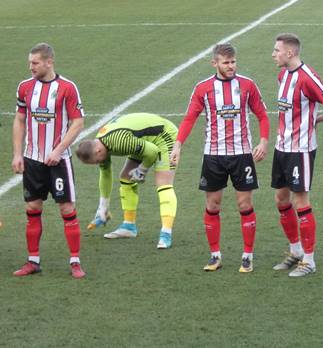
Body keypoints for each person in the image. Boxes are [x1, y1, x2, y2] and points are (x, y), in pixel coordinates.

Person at [170, 43, 270, 273]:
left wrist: (263, 141)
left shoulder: (247, 85)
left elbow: (262, 115)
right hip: (213, 156)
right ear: (214, 63)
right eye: (226, 62)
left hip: (242, 154)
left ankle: (247, 255)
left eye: (233, 61)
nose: (231, 66)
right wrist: (178, 145)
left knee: (244, 204)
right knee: (212, 205)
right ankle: (215, 255)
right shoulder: (203, 88)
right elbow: (189, 119)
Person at [269, 33, 323, 277]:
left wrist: (316, 120)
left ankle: (309, 261)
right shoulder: (283, 75)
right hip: (282, 147)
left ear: (290, 53)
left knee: (301, 202)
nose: (273, 54)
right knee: (281, 199)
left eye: (277, 50)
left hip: (300, 150)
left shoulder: (307, 77)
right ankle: (296, 250)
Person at [11, 42, 86, 278]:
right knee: (32, 208)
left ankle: (75, 261)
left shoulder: (67, 87)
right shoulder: (24, 87)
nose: (30, 67)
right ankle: (33, 260)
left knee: (67, 208)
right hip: (32, 159)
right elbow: (20, 120)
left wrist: (58, 149)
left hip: (59, 161)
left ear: (49, 62)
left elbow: (78, 122)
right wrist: (17, 153)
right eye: (30, 62)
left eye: (35, 63)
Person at [76, 113, 178, 249]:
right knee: (126, 177)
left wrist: (142, 169)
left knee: (163, 183)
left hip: (164, 136)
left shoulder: (119, 141)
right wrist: (103, 207)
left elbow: (152, 152)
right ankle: (129, 226)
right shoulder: (100, 145)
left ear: (98, 151)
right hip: (143, 139)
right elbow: (105, 174)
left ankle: (166, 233)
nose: (98, 163)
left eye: (97, 161)